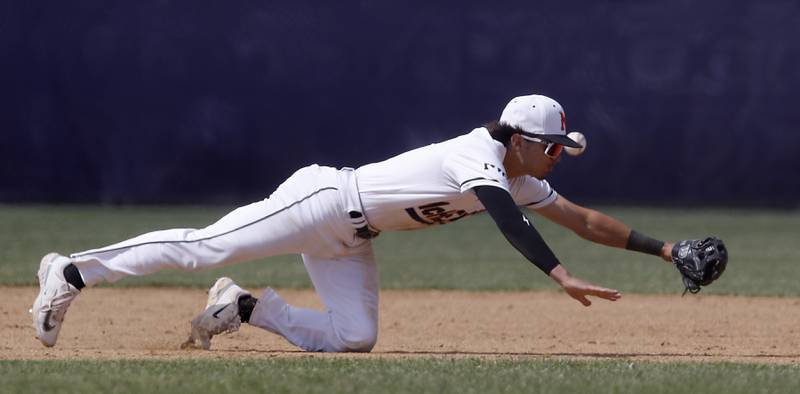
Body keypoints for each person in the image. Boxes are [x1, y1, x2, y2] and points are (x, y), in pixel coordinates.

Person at [32, 94, 677, 352]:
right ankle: (70, 271)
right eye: (555, 146)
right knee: (204, 247)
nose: (559, 155)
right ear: (522, 139)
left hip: (349, 239)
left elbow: (584, 219)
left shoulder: (520, 174)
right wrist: (559, 276)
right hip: (320, 202)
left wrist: (669, 251)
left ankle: (243, 309)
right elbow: (508, 220)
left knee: (356, 336)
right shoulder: (476, 156)